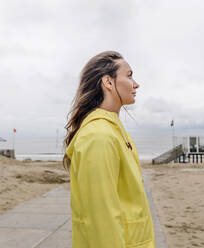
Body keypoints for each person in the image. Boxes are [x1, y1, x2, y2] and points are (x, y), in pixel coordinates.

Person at [63, 51, 156, 248]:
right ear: (108, 82)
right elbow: (101, 219)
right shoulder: (99, 136)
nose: (136, 84)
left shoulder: (114, 129)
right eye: (129, 76)